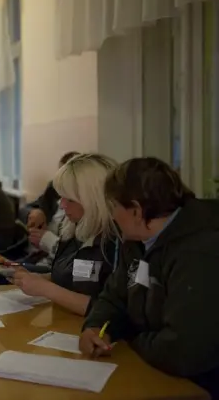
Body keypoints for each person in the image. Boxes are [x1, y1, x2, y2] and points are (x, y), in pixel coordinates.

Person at [79, 157, 219, 398]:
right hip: (153, 370)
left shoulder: (201, 250)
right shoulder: (136, 241)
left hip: (198, 386)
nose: (112, 216)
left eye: (113, 207)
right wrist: (94, 327)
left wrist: (130, 337)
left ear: (136, 210)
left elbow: (184, 351)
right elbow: (114, 296)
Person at [12, 154, 119, 316]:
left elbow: (106, 309)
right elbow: (71, 279)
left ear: (93, 200)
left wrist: (45, 288)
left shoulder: (115, 242)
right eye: (61, 197)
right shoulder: (74, 230)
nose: (62, 205)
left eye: (69, 199)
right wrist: (36, 279)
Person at [25, 151, 80, 256]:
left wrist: (48, 241)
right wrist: (35, 212)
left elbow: (75, 260)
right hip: (38, 255)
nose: (62, 204)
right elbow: (25, 209)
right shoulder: (53, 188)